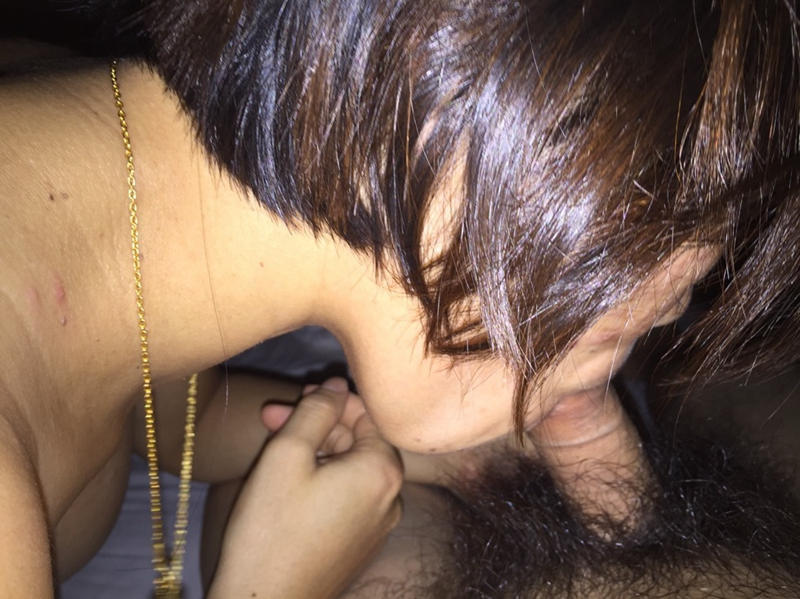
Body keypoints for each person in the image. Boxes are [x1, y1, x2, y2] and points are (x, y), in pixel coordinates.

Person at [0, 0, 798, 596]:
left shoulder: (124, 211)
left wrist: (430, 453)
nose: (603, 371)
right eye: (625, 325)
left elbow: (178, 423)